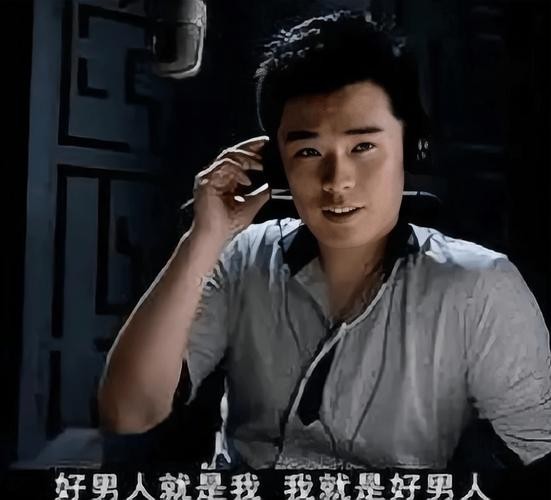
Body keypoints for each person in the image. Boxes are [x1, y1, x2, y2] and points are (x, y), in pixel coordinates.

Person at [98, 11, 551, 470]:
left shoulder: (479, 286)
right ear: (276, 164)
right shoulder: (244, 257)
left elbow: (540, 447)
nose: (337, 181)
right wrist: (205, 236)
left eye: (363, 147)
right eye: (309, 152)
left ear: (411, 147)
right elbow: (128, 412)